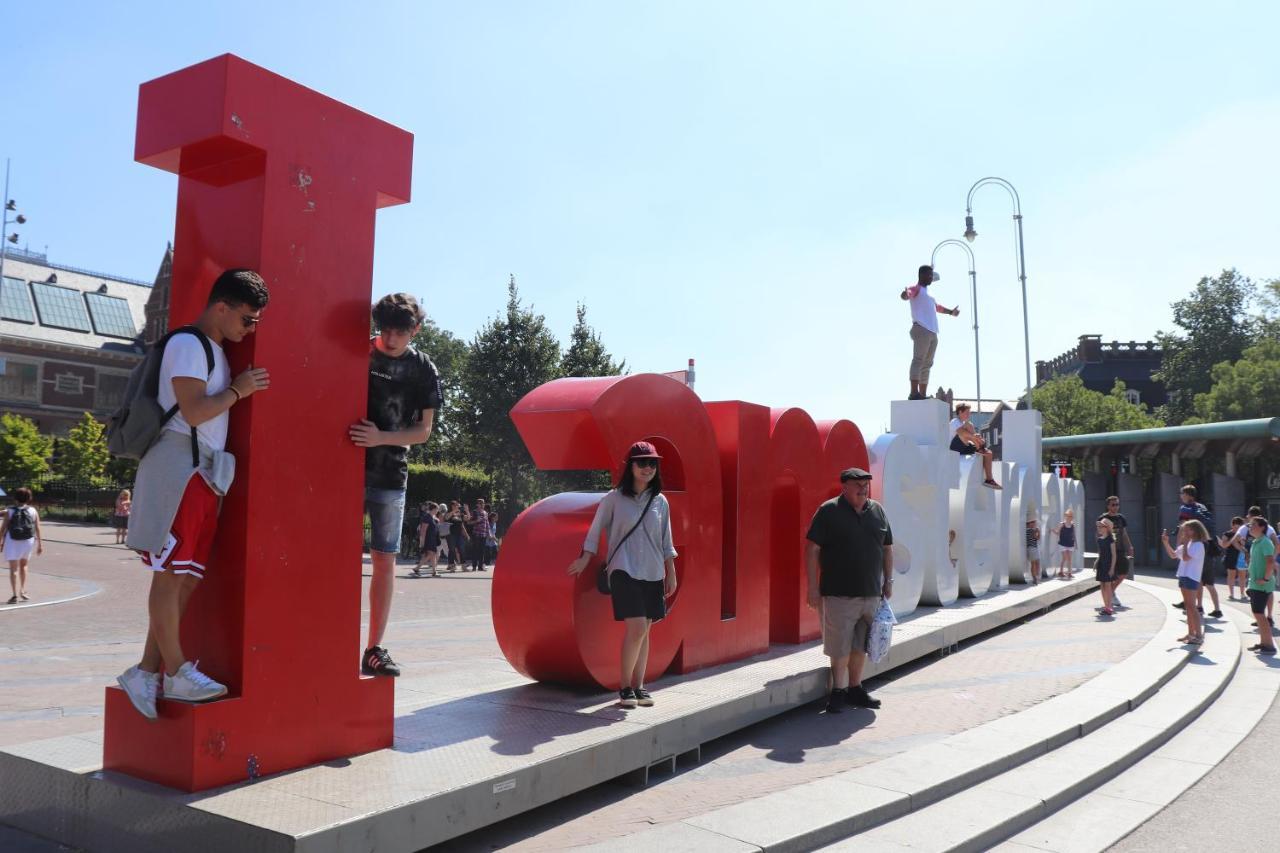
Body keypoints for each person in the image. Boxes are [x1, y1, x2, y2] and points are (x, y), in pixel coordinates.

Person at [116, 269, 271, 720]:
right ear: (220, 306)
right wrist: (239, 391)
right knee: (169, 575)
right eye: (246, 318)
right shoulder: (189, 345)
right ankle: (177, 670)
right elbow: (195, 409)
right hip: (178, 469)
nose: (250, 328)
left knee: (186, 577)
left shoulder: (217, 352)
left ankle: (148, 671)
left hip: (203, 472)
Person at [349, 293, 442, 677]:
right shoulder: (357, 352)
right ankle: (327, 635)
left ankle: (374, 647)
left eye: (399, 333)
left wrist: (381, 438)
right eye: (385, 330)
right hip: (345, 471)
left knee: (385, 559)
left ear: (415, 331)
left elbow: (423, 432)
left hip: (390, 474)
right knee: (336, 558)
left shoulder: (423, 368)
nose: (389, 339)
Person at [567, 441, 678, 709]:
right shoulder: (614, 498)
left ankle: (640, 687)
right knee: (637, 627)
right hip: (623, 569)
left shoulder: (659, 501)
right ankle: (625, 687)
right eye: (642, 462)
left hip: (652, 571)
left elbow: (666, 541)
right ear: (630, 466)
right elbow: (595, 529)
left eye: (652, 463)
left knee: (646, 629)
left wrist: (670, 573)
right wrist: (585, 557)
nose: (647, 468)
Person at [804, 467, 894, 713]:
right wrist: (812, 587)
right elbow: (812, 549)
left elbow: (887, 548)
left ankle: (855, 689)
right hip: (838, 594)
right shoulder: (829, 511)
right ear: (844, 486)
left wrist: (889, 581)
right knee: (839, 647)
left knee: (860, 646)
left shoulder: (878, 511)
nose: (863, 487)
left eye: (866, 483)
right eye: (857, 483)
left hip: (871, 594)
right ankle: (838, 691)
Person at [899, 265, 961, 401]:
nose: (931, 278)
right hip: (921, 328)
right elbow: (907, 294)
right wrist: (905, 294)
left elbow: (936, 307)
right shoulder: (916, 288)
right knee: (918, 360)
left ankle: (922, 394)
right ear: (921, 275)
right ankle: (913, 392)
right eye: (929, 275)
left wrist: (951, 312)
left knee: (927, 364)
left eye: (932, 275)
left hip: (932, 331)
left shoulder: (929, 293)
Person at [1161, 519, 1208, 646]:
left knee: (1192, 607)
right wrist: (1166, 542)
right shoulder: (1188, 544)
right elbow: (1173, 555)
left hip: (1191, 578)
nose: (1185, 532)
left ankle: (1198, 635)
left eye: (1188, 529)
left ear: (1196, 530)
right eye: (1185, 529)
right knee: (1188, 607)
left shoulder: (1198, 545)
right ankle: (1191, 633)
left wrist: (1186, 543)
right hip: (1183, 576)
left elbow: (1186, 558)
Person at [1232, 507, 1280, 629]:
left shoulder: (1266, 537)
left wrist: (1271, 561)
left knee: (1262, 603)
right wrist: (1247, 554)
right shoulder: (1254, 540)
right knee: (1258, 610)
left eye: (1252, 524)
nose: (1249, 526)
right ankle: (1264, 619)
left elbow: (1276, 546)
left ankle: (1267, 620)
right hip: (1256, 574)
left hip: (1263, 577)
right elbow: (1234, 541)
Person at [1, 487, 43, 604]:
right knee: (24, 566)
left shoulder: (10, 511)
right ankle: (23, 591)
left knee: (13, 569)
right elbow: (38, 528)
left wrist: (0, 541)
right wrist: (40, 544)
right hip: (28, 540)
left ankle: (14, 595)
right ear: (29, 498)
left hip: (12, 540)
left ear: (15, 498)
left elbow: (3, 529)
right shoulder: (33, 511)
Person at [1244, 516, 1276, 654]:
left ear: (1262, 527)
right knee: (1258, 614)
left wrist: (1265, 579)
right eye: (1250, 525)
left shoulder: (1265, 542)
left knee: (1259, 614)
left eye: (1253, 525)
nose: (1250, 527)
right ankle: (1264, 643)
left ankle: (1268, 645)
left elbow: (1270, 562)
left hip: (1261, 585)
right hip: (1256, 584)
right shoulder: (1256, 542)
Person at [949, 404, 1000, 489]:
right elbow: (961, 433)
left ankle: (989, 479)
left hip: (964, 445)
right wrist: (975, 438)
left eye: (969, 413)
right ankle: (979, 447)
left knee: (988, 453)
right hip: (954, 448)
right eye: (967, 412)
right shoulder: (955, 421)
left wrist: (978, 438)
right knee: (967, 427)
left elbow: (970, 436)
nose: (969, 415)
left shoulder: (967, 424)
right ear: (960, 412)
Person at [1099, 497, 1135, 609]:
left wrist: (1129, 546)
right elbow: (1099, 534)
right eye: (1113, 504)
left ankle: (1111, 592)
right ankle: (1109, 600)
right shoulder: (1103, 518)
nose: (1115, 507)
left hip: (1120, 549)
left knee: (1124, 572)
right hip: (1108, 551)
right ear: (1108, 506)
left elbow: (1124, 533)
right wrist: (1100, 552)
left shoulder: (1121, 518)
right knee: (1109, 576)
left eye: (1117, 504)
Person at [1219, 517, 1246, 601]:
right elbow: (1224, 545)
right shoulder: (1227, 534)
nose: (1238, 529)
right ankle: (1231, 594)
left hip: (1241, 557)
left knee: (1242, 576)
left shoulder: (1244, 534)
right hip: (1231, 557)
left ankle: (1242, 594)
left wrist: (1241, 541)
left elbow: (1245, 545)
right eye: (1237, 526)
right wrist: (1233, 540)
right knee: (1231, 576)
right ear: (1232, 525)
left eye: (1240, 527)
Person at [1094, 517, 1116, 616]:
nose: (1099, 528)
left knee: (1108, 586)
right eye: (1098, 526)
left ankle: (1109, 607)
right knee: (1102, 586)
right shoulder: (1099, 540)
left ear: (1106, 528)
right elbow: (1100, 554)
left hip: (1108, 565)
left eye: (1101, 526)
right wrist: (1096, 562)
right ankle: (1106, 606)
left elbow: (1114, 555)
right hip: (1101, 564)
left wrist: (1112, 568)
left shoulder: (1111, 540)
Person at [412, 502, 440, 578]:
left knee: (432, 554)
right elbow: (423, 530)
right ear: (433, 509)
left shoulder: (432, 517)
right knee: (431, 554)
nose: (438, 511)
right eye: (437, 509)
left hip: (432, 539)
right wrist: (422, 541)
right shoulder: (427, 517)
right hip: (428, 539)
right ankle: (417, 568)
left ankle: (434, 571)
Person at [1052, 509, 1076, 579]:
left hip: (1070, 543)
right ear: (1065, 516)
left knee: (1070, 559)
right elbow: (1057, 532)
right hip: (1063, 543)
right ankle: (1061, 572)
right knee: (1065, 558)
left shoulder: (1072, 525)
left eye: (1071, 516)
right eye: (1068, 516)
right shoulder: (1062, 524)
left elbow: (1073, 534)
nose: (1070, 517)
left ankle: (1069, 573)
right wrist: (1052, 530)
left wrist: (1075, 543)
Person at [469, 498, 490, 571]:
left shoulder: (485, 513)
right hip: (476, 534)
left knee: (482, 551)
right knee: (475, 550)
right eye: (480, 503)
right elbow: (469, 522)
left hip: (483, 534)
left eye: (483, 503)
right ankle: (474, 566)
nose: (481, 505)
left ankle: (480, 566)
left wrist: (489, 533)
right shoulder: (475, 512)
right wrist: (476, 521)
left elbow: (487, 523)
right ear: (477, 504)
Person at [1026, 517, 1042, 584]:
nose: (1034, 524)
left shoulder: (1027, 530)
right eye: (1033, 522)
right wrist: (1038, 531)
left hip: (1031, 548)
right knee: (1034, 563)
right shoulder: (1031, 530)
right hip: (1032, 548)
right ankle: (1035, 578)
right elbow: (1037, 538)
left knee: (1035, 563)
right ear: (1029, 524)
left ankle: (1035, 577)